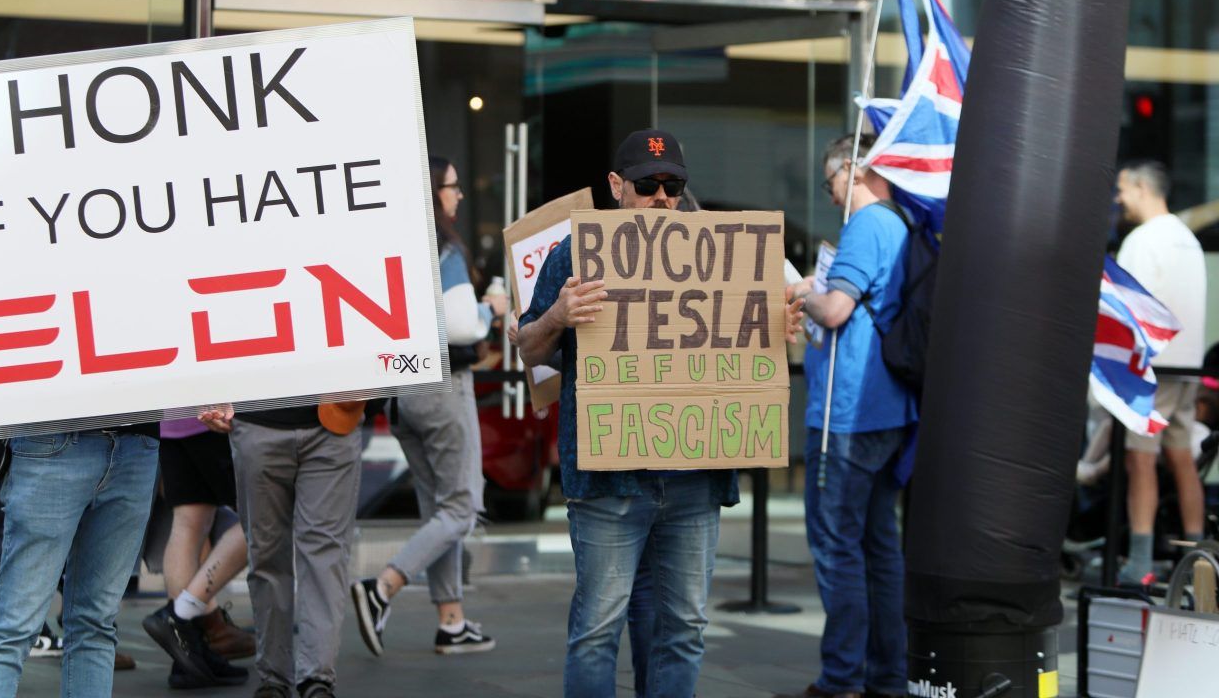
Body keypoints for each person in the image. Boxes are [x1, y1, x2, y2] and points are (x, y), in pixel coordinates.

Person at [516, 128, 803, 698]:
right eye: (649, 186)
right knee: (597, 630)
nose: (663, 197)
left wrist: (776, 331)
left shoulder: (719, 256)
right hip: (608, 481)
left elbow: (747, 341)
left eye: (674, 185)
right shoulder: (573, 255)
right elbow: (529, 350)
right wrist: (557, 317)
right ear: (617, 186)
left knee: (687, 628)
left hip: (695, 479)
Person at [0, 144, 162, 698]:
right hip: (57, 438)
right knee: (16, 624)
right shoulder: (42, 214)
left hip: (132, 440)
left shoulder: (149, 210)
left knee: (89, 624)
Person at [350, 156, 507, 657]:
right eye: (452, 187)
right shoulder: (442, 247)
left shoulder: (389, 244)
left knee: (436, 510)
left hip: (400, 392)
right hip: (442, 389)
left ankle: (452, 621)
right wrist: (492, 309)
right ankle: (381, 589)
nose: (459, 195)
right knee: (462, 507)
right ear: (432, 193)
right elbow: (463, 325)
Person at [783, 133, 916, 698]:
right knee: (879, 548)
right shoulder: (902, 223)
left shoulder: (866, 224)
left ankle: (841, 679)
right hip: (887, 411)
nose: (832, 196)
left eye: (831, 181)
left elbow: (835, 311)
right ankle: (886, 676)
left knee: (837, 546)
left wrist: (796, 289)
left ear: (854, 170)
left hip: (848, 411)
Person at [197, 396, 365, 698]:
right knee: (273, 555)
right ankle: (290, 678)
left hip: (329, 419)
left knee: (309, 557)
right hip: (262, 420)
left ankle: (310, 678)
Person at [1114, 160, 1208, 584]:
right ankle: (1200, 556)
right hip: (1188, 364)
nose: (1119, 199)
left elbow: (1128, 305)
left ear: (1140, 187)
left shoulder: (1143, 239)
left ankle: (1139, 561)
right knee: (1183, 458)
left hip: (1152, 367)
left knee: (1140, 459)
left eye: (1122, 190)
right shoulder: (1186, 238)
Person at [141, 415, 252, 688]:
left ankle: (187, 657)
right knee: (266, 519)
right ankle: (180, 615)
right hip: (217, 416)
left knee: (189, 522)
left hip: (173, 417)